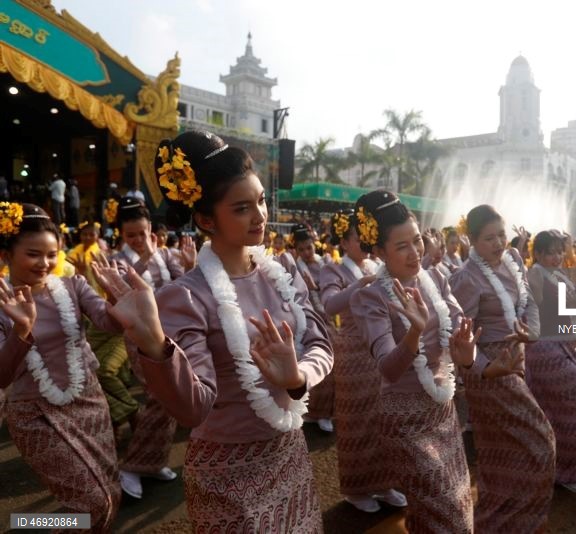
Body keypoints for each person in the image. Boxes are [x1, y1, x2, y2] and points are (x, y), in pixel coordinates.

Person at [100, 130, 333, 531]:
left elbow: (320, 343)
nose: (260, 216)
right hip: (227, 467)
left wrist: (297, 378)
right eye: (242, 208)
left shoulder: (283, 270)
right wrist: (155, 343)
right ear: (206, 219)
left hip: (289, 451)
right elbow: (193, 408)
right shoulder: (184, 296)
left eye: (261, 200)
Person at [349, 190, 478, 532]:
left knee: (450, 510)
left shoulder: (435, 278)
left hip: (442, 408)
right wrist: (414, 333)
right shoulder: (370, 296)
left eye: (417, 240)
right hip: (404, 417)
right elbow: (388, 369)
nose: (415, 252)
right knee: (448, 513)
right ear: (379, 251)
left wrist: (467, 352)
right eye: (402, 246)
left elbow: (459, 331)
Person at [0, 202, 123, 530]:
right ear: (6, 255)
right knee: (91, 503)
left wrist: (116, 296)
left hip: (88, 400)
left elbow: (110, 323)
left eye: (52, 254)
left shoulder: (73, 286)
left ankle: (26, 524)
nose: (45, 263)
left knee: (110, 496)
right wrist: (21, 331)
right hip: (35, 415)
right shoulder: (1, 303)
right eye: (33, 254)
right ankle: (27, 523)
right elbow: (1, 376)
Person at [449, 205, 556, 532]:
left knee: (503, 450)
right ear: (472, 240)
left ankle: (500, 523)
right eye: (488, 238)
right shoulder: (467, 278)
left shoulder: (513, 260)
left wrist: (532, 332)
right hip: (489, 369)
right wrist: (484, 368)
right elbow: (460, 337)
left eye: (501, 235)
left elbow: (530, 302)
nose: (498, 243)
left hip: (515, 359)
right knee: (540, 441)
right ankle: (514, 520)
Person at [318, 209, 407, 513]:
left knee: (383, 418)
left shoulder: (374, 265)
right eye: (358, 239)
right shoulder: (333, 270)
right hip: (353, 354)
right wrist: (360, 285)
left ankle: (384, 483)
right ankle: (357, 489)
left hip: (379, 349)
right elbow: (330, 305)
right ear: (344, 242)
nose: (365, 244)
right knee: (356, 421)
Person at [110, 196, 196, 499]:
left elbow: (182, 287)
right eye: (130, 235)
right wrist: (144, 259)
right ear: (121, 235)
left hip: (170, 334)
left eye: (142, 233)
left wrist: (189, 266)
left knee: (170, 398)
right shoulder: (116, 261)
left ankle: (152, 462)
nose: (137, 240)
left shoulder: (165, 255)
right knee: (162, 396)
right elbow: (120, 294)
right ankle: (132, 466)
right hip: (139, 337)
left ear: (152, 231)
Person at [526, 230, 576, 504]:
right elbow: (532, 302)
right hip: (545, 350)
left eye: (560, 251)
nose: (557, 256)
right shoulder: (536, 274)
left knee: (556, 412)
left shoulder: (558, 274)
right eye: (550, 252)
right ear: (537, 254)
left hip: (563, 346)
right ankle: (571, 472)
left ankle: (560, 468)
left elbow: (575, 305)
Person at [291, 222, 334, 432]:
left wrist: (316, 287)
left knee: (333, 367)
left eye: (309, 247)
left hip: (332, 318)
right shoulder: (295, 267)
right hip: (310, 320)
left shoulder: (327, 262)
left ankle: (326, 412)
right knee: (315, 364)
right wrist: (310, 289)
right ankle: (315, 412)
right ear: (296, 251)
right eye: (301, 249)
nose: (307, 252)